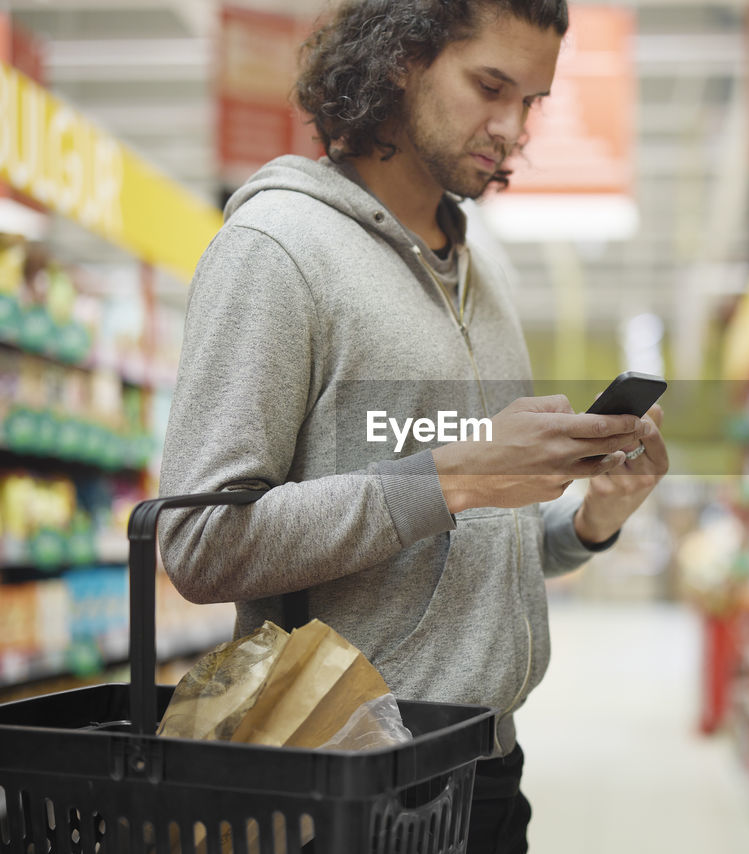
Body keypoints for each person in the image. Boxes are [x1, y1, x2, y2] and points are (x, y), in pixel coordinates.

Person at [158, 0, 668, 850]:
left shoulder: (483, 274)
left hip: (489, 769)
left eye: (533, 101)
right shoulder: (277, 247)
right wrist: (458, 473)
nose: (511, 129)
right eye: (489, 86)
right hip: (337, 781)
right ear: (401, 60)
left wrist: (586, 523)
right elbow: (201, 542)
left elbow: (455, 540)